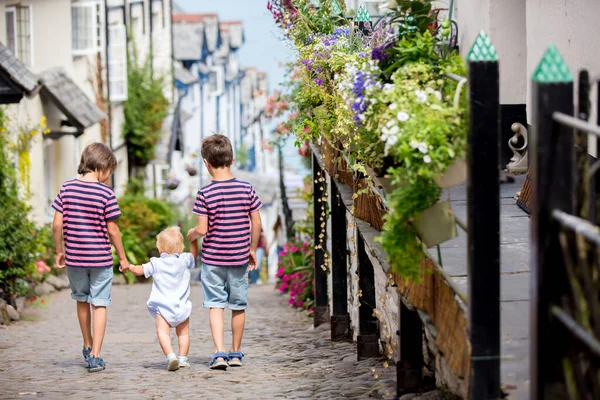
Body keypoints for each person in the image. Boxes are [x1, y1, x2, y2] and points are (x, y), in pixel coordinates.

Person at [51, 142, 129, 373]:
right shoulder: (106, 193)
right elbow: (113, 230)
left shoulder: (66, 188)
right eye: (110, 172)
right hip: (100, 260)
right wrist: (123, 258)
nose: (109, 177)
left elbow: (57, 223)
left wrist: (59, 251)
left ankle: (86, 343)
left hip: (75, 258)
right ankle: (96, 354)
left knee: (81, 299)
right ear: (102, 167)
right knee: (101, 303)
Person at [187, 134, 262, 370]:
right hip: (239, 256)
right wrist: (251, 249)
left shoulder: (204, 193)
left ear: (206, 164)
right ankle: (236, 352)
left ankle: (219, 353)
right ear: (231, 160)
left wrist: (191, 235)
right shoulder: (246, 188)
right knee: (238, 305)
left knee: (215, 305)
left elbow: (202, 229)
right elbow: (257, 223)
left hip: (213, 259)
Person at [123, 227, 197, 371]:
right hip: (182, 307)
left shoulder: (156, 263)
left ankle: (171, 356)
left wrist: (129, 266)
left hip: (163, 308)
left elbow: (139, 270)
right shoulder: (185, 260)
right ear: (181, 248)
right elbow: (194, 254)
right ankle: (183, 359)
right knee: (184, 334)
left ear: (159, 249)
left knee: (163, 333)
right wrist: (193, 240)